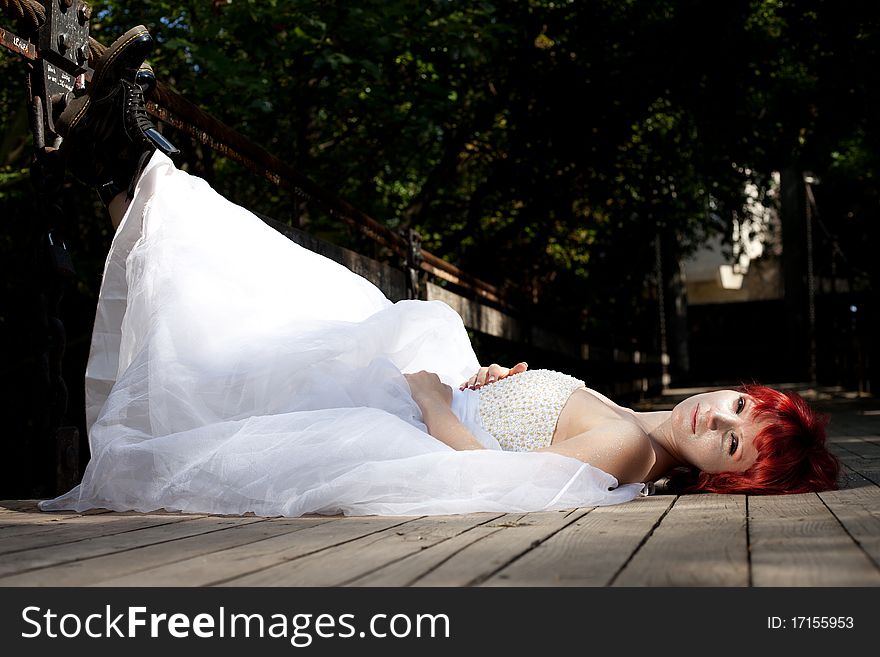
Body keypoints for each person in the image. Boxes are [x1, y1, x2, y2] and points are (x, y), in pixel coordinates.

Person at [40, 27, 839, 518]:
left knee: (260, 303)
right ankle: (120, 163)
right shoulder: (636, 427)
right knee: (264, 303)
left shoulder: (635, 452)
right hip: (430, 395)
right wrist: (505, 390)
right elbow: (530, 439)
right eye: (738, 405)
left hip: (408, 410)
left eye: (733, 444)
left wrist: (432, 397)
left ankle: (121, 160)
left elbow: (497, 479)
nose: (717, 419)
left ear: (720, 481)